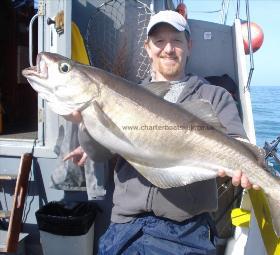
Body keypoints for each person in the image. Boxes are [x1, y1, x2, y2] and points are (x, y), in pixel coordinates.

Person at [64, 10, 259, 255]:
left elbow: (237, 140)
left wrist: (247, 166)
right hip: (126, 226)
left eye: (176, 41)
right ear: (147, 47)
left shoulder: (214, 96)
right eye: (159, 42)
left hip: (186, 231)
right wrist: (85, 123)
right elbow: (98, 153)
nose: (168, 49)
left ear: (189, 45)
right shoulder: (125, 95)